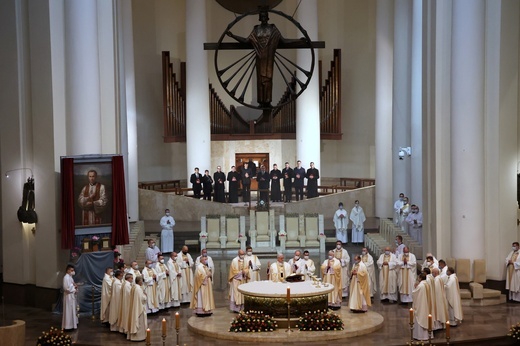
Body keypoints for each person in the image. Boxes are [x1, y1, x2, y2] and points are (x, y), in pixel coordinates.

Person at [226, 10, 304, 107]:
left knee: (268, 80)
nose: (263, 18)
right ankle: (261, 102)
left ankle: (267, 101)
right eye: (261, 16)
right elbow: (246, 41)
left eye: (264, 16)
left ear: (267, 17)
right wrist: (233, 36)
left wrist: (299, 41)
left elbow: (284, 41)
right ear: (259, 18)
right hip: (260, 59)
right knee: (260, 81)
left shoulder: (273, 29)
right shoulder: (256, 30)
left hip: (269, 60)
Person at [127, 276, 147, 341]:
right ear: (140, 281)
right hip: (139, 308)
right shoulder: (138, 289)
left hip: (134, 307)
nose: (142, 282)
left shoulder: (134, 287)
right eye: (142, 281)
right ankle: (139, 337)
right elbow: (142, 299)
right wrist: (145, 296)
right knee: (139, 322)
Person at [412, 273, 431, 341]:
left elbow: (414, 293)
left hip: (421, 306)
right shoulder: (427, 284)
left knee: (420, 318)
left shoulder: (420, 286)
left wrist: (415, 287)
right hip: (426, 305)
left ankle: (420, 336)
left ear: (420, 278)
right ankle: (426, 335)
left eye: (418, 277)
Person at [61, 264, 78, 330]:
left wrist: (75, 287)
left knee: (72, 310)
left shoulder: (70, 277)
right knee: (68, 310)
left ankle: (73, 324)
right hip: (68, 296)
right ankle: (68, 325)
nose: (73, 272)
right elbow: (66, 288)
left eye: (73, 270)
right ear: (68, 270)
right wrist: (74, 287)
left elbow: (72, 285)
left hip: (72, 295)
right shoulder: (66, 278)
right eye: (72, 270)